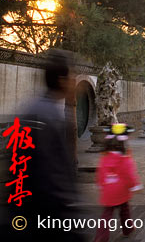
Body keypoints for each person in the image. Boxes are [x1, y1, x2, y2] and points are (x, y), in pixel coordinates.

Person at [9, 49, 85, 241]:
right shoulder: (47, 117)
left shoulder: (34, 110)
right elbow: (50, 177)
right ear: (61, 79)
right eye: (72, 75)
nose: (74, 80)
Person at [94, 125, 143, 242]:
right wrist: (135, 185)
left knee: (106, 215)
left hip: (108, 190)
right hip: (121, 191)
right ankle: (128, 229)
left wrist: (100, 184)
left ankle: (101, 237)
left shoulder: (105, 157)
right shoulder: (125, 159)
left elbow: (101, 172)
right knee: (125, 210)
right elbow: (129, 174)